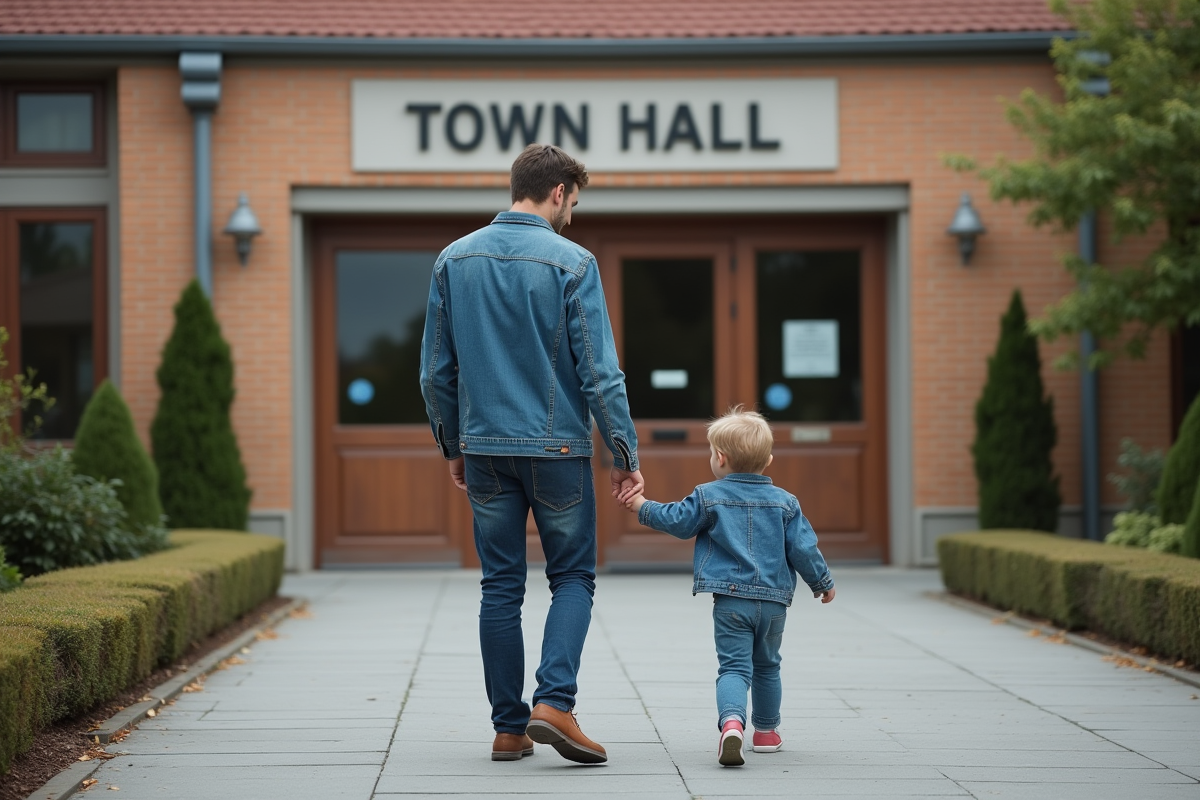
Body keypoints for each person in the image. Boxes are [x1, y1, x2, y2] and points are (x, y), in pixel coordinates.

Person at [420, 143, 644, 765]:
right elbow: (600, 372)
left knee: (500, 585)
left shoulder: (452, 260)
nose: (573, 212)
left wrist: (453, 446)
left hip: (485, 448)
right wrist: (623, 451)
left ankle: (508, 728)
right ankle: (555, 703)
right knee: (571, 576)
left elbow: (436, 373)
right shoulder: (574, 262)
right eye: (575, 200)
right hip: (558, 451)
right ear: (559, 192)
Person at [624, 407, 834, 767]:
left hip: (731, 601)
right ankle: (767, 734)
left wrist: (642, 506)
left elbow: (678, 521)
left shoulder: (708, 496)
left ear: (719, 458)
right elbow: (803, 548)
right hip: (773, 603)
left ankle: (732, 723)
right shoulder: (786, 502)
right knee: (768, 666)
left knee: (734, 668)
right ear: (767, 460)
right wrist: (822, 582)